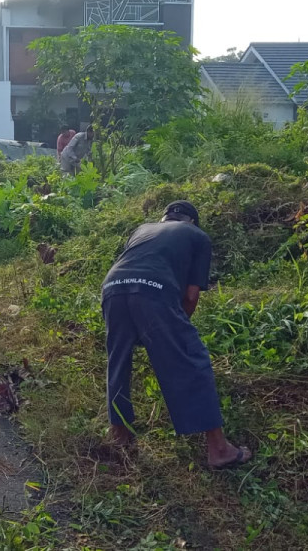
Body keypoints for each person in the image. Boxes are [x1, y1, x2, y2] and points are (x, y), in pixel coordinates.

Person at [102, 200, 252, 468]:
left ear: (163, 219)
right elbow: (191, 296)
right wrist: (175, 337)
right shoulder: (198, 236)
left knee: (118, 360)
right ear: (191, 222)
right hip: (153, 289)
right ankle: (219, 449)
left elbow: (134, 271)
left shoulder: (141, 230)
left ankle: (119, 435)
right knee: (192, 359)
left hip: (113, 286)